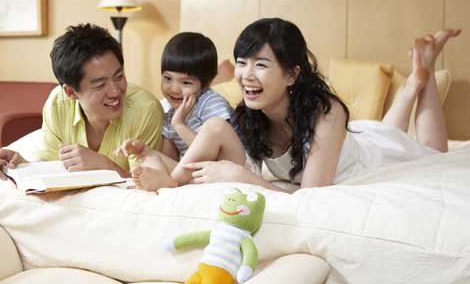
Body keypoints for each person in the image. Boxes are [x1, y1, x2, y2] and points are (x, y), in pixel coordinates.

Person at [122, 18, 460, 193]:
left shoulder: (327, 113)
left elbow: (311, 198)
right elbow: (206, 151)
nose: (246, 75)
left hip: (370, 160)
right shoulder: (250, 112)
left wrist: (243, 177)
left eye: (261, 64)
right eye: (242, 63)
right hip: (362, 136)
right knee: (384, 131)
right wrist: (155, 160)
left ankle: (423, 76)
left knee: (433, 153)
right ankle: (414, 82)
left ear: (292, 74)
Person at [0, 23, 164, 180]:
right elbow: (51, 166)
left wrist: (104, 165)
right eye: (100, 85)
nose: (116, 91)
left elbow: (147, 186)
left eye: (119, 76)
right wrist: (20, 166)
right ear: (71, 92)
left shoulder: (145, 109)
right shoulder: (58, 103)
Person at [114, 32, 233, 187]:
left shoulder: (211, 103)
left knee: (212, 130)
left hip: (223, 169)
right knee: (150, 158)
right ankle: (161, 185)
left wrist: (179, 125)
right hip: (196, 174)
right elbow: (171, 159)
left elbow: (213, 154)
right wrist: (143, 151)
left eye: (186, 83)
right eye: (168, 78)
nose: (174, 89)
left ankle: (169, 183)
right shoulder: (168, 110)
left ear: (205, 85)